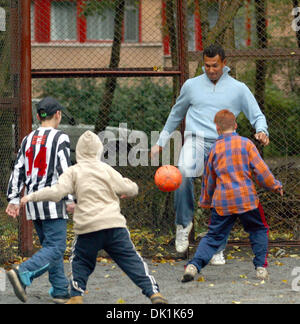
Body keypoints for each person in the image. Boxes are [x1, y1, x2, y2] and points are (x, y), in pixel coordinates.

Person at [151, 44, 270, 264]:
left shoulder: (238, 88)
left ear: (224, 63)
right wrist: (160, 142)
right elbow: (176, 114)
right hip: (195, 141)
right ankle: (183, 225)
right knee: (183, 173)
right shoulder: (191, 86)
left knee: (222, 192)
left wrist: (261, 131)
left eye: (215, 65)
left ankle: (217, 246)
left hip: (224, 145)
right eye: (206, 65)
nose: (211, 69)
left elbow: (257, 115)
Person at [20, 130, 168, 305]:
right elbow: (130, 189)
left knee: (80, 261)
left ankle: (76, 295)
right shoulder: (106, 169)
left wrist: (32, 196)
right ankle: (154, 293)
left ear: (80, 151)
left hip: (88, 228)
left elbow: (56, 192)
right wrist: (128, 187)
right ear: (99, 150)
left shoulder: (73, 171)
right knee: (132, 260)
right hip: (114, 226)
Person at [181, 110, 283, 283]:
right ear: (235, 126)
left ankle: (193, 266)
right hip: (247, 200)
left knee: (213, 236)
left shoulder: (214, 149)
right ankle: (260, 268)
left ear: (217, 128)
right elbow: (261, 170)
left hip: (223, 202)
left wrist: (206, 201)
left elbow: (209, 179)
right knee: (258, 229)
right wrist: (275, 185)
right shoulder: (246, 144)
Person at [6, 96, 75, 304]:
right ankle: (23, 272)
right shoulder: (60, 138)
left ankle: (61, 289)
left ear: (38, 116)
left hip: (33, 203)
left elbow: (18, 168)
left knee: (49, 246)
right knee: (56, 247)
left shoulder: (28, 139)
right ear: (58, 115)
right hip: (53, 201)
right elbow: (65, 169)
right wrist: (71, 197)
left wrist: (13, 198)